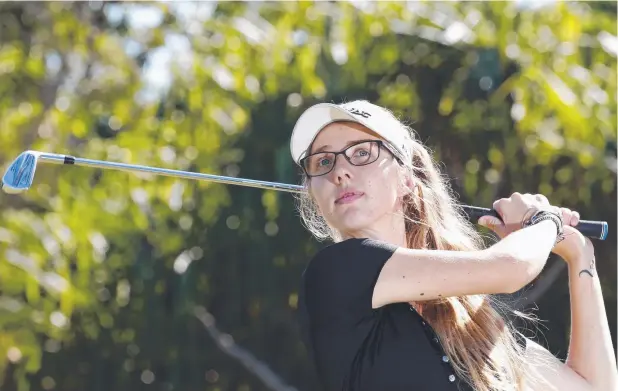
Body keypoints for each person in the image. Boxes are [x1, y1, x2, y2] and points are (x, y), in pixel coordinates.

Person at [290, 100, 617, 391]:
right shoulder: (337, 271)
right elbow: (512, 269)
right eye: (323, 163)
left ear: (406, 178)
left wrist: (578, 256)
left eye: (362, 152)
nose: (340, 172)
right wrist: (544, 221)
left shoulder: (471, 320)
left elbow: (594, 387)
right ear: (316, 197)